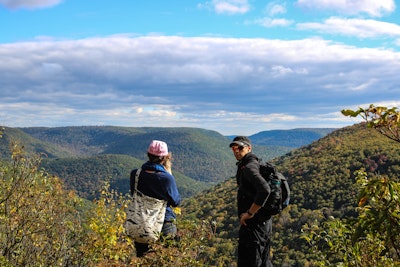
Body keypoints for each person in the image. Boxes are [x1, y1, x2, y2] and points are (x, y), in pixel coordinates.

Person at [130, 140, 181, 257]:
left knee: (143, 259)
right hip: (164, 222)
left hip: (141, 222)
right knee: (168, 258)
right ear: (165, 157)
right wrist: (169, 173)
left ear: (148, 154)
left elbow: (134, 194)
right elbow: (176, 202)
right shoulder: (166, 178)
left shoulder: (135, 174)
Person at [230, 136, 273, 267]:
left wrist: (250, 213)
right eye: (234, 148)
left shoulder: (249, 167)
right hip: (263, 223)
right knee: (264, 261)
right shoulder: (253, 163)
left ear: (249, 148)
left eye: (240, 147)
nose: (236, 151)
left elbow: (265, 190)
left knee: (251, 262)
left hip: (254, 227)